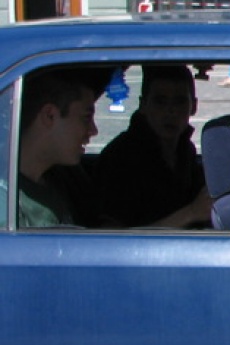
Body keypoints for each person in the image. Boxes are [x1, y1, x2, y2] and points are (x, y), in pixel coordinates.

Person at [95, 65, 213, 228]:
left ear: (193, 106)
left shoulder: (186, 150)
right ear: (143, 105)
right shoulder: (121, 158)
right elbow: (111, 237)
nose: (170, 111)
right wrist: (191, 213)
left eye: (179, 101)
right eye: (160, 101)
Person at [15, 69, 102, 228]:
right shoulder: (8, 204)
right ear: (50, 116)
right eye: (86, 118)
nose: (93, 130)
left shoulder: (58, 178)